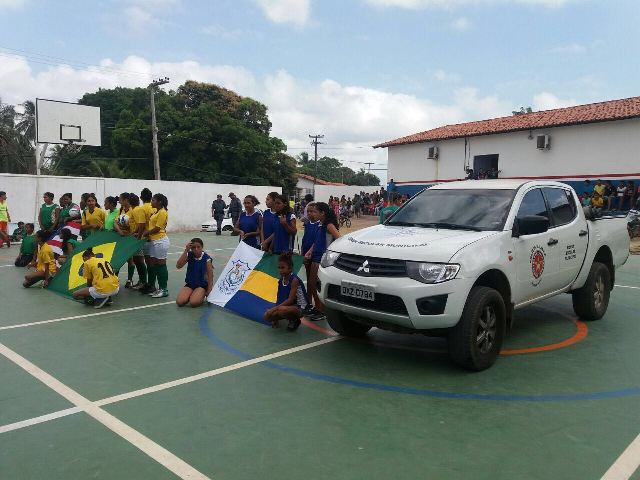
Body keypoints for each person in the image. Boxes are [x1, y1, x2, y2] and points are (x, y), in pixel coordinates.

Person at [306, 202, 341, 314]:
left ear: (322, 213)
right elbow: (316, 241)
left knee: (317, 285)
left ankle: (321, 310)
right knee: (312, 284)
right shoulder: (320, 224)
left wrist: (329, 256)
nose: (313, 214)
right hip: (315, 256)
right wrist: (310, 251)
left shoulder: (329, 225)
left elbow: (339, 239)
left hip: (321, 259)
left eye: (315, 212)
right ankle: (317, 307)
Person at [264, 252, 309, 331]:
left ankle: (295, 320)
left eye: (282, 268)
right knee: (267, 316)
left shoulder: (294, 280)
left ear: (290, 268)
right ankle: (287, 316)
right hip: (289, 306)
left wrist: (273, 309)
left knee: (281, 310)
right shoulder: (281, 280)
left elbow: (290, 300)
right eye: (279, 268)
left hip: (300, 307)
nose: (280, 270)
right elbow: (280, 298)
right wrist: (274, 318)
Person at [142, 193, 170, 298]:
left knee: (161, 264)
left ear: (160, 202)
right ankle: (159, 288)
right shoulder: (155, 212)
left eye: (153, 200)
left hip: (160, 241)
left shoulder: (162, 212)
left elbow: (158, 228)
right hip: (154, 241)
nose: (151, 202)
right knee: (155, 264)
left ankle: (164, 289)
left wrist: (146, 233)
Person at [175, 238, 214, 308]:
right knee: (179, 302)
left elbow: (210, 276)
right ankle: (192, 294)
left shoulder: (207, 258)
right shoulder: (189, 255)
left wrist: (209, 290)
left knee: (193, 302)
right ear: (191, 248)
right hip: (190, 284)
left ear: (202, 247)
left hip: (201, 285)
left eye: (198, 247)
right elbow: (178, 266)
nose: (196, 249)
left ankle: (201, 294)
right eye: (193, 247)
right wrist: (186, 250)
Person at [137, 188, 156, 293]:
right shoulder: (154, 207)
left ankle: (151, 284)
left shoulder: (142, 208)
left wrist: (139, 238)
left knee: (149, 262)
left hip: (147, 238)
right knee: (152, 262)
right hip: (155, 237)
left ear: (141, 198)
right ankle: (150, 283)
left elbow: (141, 225)